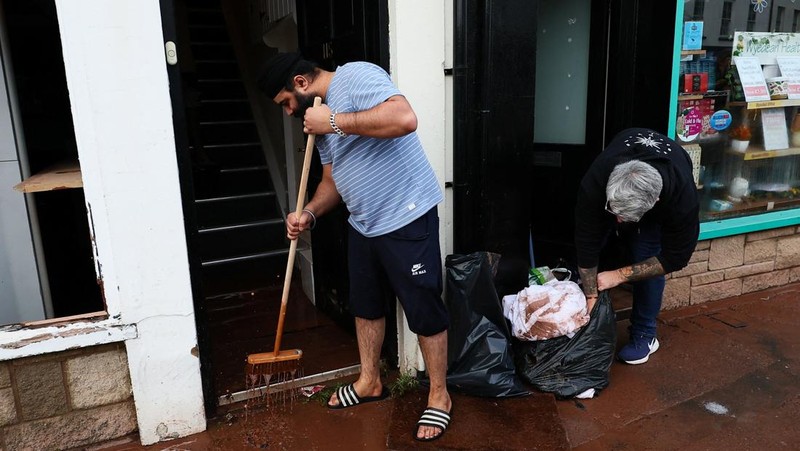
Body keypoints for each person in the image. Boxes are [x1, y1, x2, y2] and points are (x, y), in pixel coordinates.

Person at [257, 52, 452, 442]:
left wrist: (332, 122)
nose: (288, 112)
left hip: (405, 216)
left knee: (423, 306)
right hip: (363, 223)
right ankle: (369, 381)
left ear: (300, 83)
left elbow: (404, 119)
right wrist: (309, 213)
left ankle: (439, 395)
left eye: (285, 103)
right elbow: (332, 181)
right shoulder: (317, 118)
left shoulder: (355, 77)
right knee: (365, 305)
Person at [574, 128, 699, 365]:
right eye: (614, 212)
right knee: (599, 242)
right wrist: (590, 293)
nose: (619, 220)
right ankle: (594, 317)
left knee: (645, 250)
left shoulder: (681, 199)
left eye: (625, 217)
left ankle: (644, 333)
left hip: (660, 196)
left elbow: (675, 258)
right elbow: (586, 239)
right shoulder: (597, 179)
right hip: (617, 179)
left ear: (655, 202)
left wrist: (618, 276)